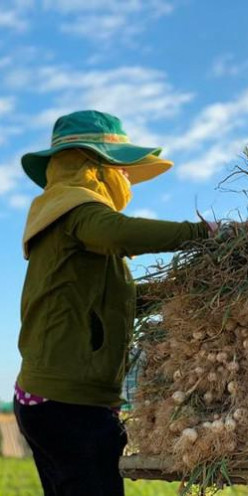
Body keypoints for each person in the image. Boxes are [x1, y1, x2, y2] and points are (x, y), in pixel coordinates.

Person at [14, 110, 217, 496]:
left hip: (53, 400)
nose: (126, 178)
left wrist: (176, 289)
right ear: (93, 166)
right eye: (121, 168)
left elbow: (111, 303)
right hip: (67, 404)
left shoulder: (66, 220)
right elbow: (117, 233)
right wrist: (203, 233)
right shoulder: (75, 209)